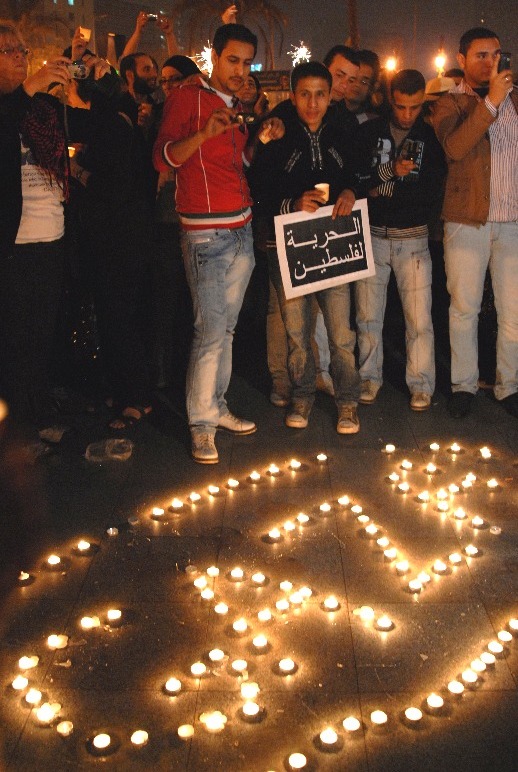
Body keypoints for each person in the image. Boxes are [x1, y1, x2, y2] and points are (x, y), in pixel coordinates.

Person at [153, 24, 274, 463]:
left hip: (241, 229)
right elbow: (162, 157)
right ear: (215, 58)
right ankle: (201, 424)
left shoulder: (237, 104)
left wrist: (258, 138)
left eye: (247, 63)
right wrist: (202, 133)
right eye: (233, 61)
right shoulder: (187, 98)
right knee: (209, 332)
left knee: (226, 329)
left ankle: (215, 407)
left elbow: (236, 162)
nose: (241, 71)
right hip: (205, 233)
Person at [0, 20, 111, 430]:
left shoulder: (43, 108)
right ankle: (15, 421)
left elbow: (98, 128)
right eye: (8, 50)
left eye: (22, 51)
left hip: (51, 235)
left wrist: (99, 82)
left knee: (44, 330)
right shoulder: (16, 103)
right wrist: (29, 87)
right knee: (14, 337)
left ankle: (37, 406)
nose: (19, 57)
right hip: (12, 242)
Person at [250, 61, 361, 434]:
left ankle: (347, 402)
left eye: (320, 94)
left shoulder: (343, 133)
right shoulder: (278, 135)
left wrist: (349, 191)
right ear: (293, 96)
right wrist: (292, 204)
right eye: (305, 94)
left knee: (341, 335)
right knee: (296, 334)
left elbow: (356, 177)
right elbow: (259, 188)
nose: (312, 103)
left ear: (331, 96)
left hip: (334, 250)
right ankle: (302, 396)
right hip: (290, 251)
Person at [432, 27, 518, 419]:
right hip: (468, 220)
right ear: (462, 60)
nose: (490, 62)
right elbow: (455, 147)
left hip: (512, 221)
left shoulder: (516, 99)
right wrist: (491, 104)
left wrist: (503, 99)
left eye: (496, 54)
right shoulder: (451, 103)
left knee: (512, 311)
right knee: (463, 307)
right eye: (480, 55)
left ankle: (509, 385)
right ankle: (463, 386)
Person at [354, 69, 446, 411]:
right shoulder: (371, 132)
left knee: (419, 319)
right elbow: (357, 179)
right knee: (367, 316)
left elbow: (433, 186)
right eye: (402, 106)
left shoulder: (430, 136)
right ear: (391, 99)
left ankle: (421, 384)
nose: (407, 115)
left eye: (415, 107)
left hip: (414, 238)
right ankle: (368, 378)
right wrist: (388, 174)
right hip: (374, 233)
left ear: (423, 103)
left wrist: (388, 190)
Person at [343, 49, 380, 124]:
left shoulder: (373, 122)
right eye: (352, 79)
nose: (357, 84)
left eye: (364, 82)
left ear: (372, 87)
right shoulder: (325, 112)